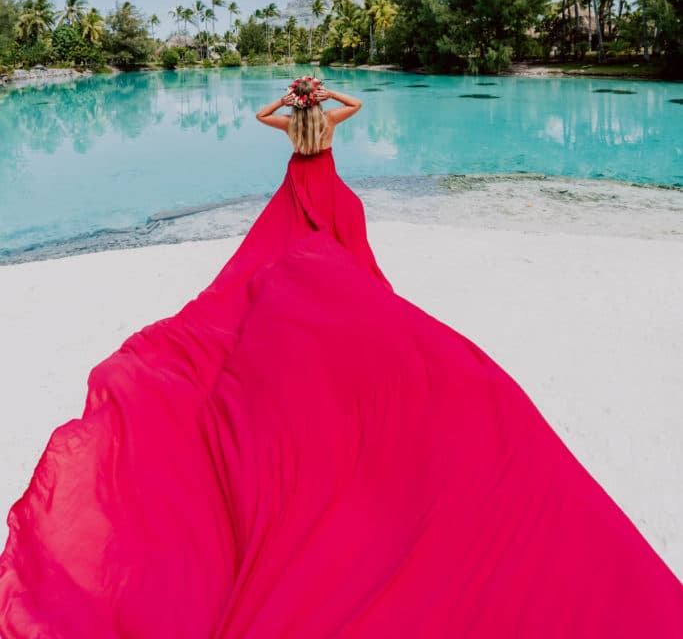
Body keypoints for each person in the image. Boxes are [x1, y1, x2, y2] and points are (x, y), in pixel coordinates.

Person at [0, 75, 681, 637]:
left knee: (301, 245)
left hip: (301, 177)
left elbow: (260, 113)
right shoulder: (325, 126)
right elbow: (357, 108)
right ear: (316, 112)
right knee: (333, 246)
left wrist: (292, 100)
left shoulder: (293, 129)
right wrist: (326, 98)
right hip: (322, 177)